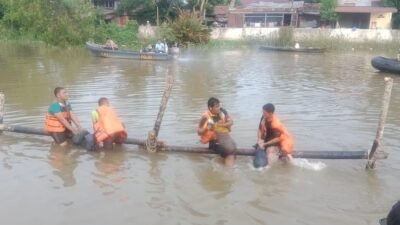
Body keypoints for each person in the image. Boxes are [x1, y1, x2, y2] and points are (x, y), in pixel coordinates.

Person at [197, 97, 237, 167]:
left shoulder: (223, 112)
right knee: (230, 151)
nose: (219, 108)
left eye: (219, 105)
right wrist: (206, 128)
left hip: (225, 138)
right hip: (214, 142)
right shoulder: (205, 116)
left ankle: (227, 169)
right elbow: (199, 131)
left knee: (233, 147)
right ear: (210, 108)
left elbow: (231, 122)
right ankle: (228, 172)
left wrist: (222, 124)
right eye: (217, 106)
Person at [255, 103, 294, 167]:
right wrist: (259, 140)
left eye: (264, 113)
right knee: (260, 147)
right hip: (268, 138)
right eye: (263, 112)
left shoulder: (276, 124)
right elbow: (259, 130)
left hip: (277, 141)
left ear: (270, 113)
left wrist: (264, 144)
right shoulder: (263, 117)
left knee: (270, 155)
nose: (263, 114)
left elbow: (277, 139)